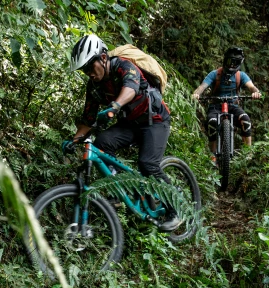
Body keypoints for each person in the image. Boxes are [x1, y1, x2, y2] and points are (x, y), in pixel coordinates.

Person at [62, 34, 182, 232]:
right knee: (102, 141)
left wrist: (115, 106)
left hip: (155, 121)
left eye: (90, 67)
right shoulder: (93, 87)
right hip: (130, 124)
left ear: (102, 58)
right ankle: (119, 187)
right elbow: (88, 119)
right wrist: (74, 140)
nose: (89, 73)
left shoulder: (123, 66)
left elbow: (131, 87)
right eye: (84, 71)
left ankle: (174, 207)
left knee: (147, 164)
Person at [192, 47, 261, 163]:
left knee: (246, 120)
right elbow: (202, 87)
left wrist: (255, 92)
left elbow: (251, 86)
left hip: (233, 105)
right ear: (225, 60)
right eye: (230, 61)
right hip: (216, 105)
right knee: (212, 122)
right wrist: (196, 94)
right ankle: (212, 155)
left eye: (236, 62)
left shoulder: (241, 75)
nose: (232, 65)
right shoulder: (215, 74)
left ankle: (247, 154)